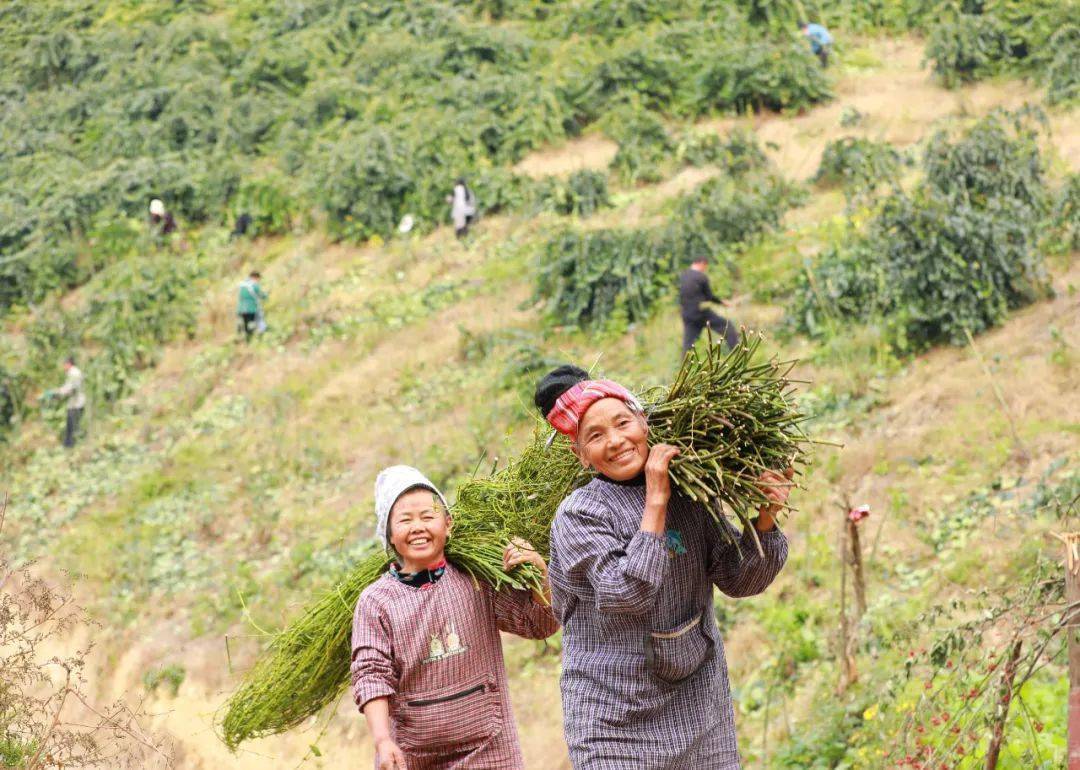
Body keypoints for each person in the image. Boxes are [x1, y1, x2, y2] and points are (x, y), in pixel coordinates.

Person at [533, 366, 793, 769]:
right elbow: (626, 593)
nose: (616, 441)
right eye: (596, 436)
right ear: (580, 455)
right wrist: (656, 499)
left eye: (623, 423)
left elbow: (738, 579)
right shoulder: (578, 516)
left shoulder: (689, 495)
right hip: (613, 722)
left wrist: (764, 518)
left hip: (700, 707)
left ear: (644, 423)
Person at [351, 465, 560, 770]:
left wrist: (541, 576)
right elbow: (371, 675)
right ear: (390, 536)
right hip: (413, 757)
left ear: (448, 524)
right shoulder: (376, 601)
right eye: (405, 520)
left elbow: (538, 624)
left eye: (428, 516)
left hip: (490, 749)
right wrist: (383, 741)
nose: (418, 527)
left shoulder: (476, 580)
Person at [679, 256, 740, 354]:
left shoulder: (683, 275)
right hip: (701, 313)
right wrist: (722, 302)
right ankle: (738, 354)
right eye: (705, 266)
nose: (705, 269)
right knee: (727, 326)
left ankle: (684, 367)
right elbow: (709, 296)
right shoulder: (701, 277)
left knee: (688, 344)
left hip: (687, 314)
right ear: (702, 263)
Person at [49, 357, 86, 448]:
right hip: (75, 403)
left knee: (72, 426)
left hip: (76, 404)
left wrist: (57, 393)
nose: (63, 367)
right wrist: (58, 391)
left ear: (68, 364)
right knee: (71, 426)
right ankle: (70, 445)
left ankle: (71, 446)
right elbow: (67, 387)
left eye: (64, 365)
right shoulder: (73, 372)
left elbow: (70, 389)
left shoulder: (74, 373)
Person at [236, 271, 267, 342]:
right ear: (255, 277)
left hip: (241, 309)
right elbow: (261, 295)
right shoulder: (254, 285)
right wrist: (266, 295)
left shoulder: (242, 285)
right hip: (251, 309)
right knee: (251, 325)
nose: (259, 281)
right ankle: (249, 340)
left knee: (244, 325)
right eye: (258, 279)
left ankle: (242, 340)